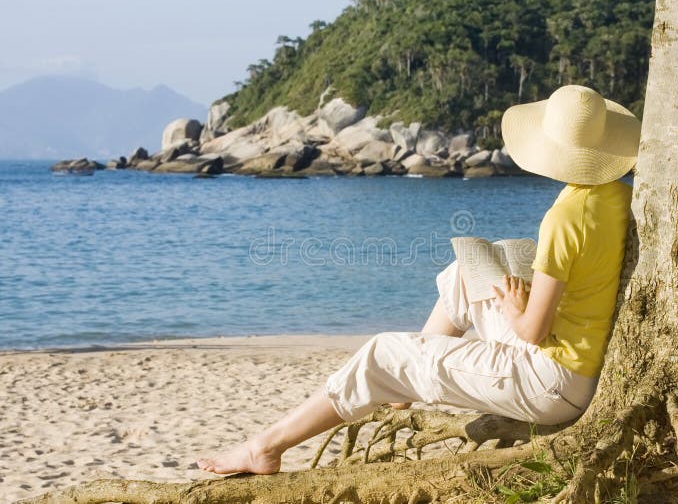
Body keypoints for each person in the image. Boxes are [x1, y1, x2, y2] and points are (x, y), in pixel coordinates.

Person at [197, 84, 641, 475]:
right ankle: (402, 388)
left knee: (381, 350)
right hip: (571, 367)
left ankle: (264, 448)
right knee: (467, 273)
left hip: (549, 381)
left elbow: (532, 330)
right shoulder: (619, 196)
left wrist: (514, 306)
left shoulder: (565, 218)